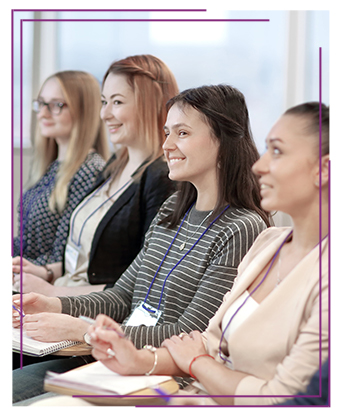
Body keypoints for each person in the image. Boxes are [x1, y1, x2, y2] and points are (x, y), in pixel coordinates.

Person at [12, 84, 270, 404]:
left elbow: (188, 336)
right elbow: (122, 297)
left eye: (183, 133)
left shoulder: (241, 227)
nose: (167, 145)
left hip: (163, 376)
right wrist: (55, 305)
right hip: (115, 358)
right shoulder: (171, 213)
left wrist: (80, 330)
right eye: (166, 132)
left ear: (224, 140)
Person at [82, 101, 329, 407]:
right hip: (189, 393)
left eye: (276, 151)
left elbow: (280, 399)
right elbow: (208, 343)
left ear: (325, 169)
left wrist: (196, 363)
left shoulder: (321, 270)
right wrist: (139, 360)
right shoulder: (269, 243)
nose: (259, 165)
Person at [12, 55, 178, 296]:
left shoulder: (161, 179)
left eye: (117, 102)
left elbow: (141, 287)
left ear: (149, 104)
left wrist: (50, 292)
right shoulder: (114, 167)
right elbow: (88, 260)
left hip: (85, 311)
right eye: (104, 102)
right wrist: (47, 273)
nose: (104, 114)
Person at [12, 70, 109, 268]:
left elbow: (65, 253)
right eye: (41, 103)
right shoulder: (51, 166)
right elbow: (26, 243)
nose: (43, 113)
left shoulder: (91, 171)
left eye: (57, 105)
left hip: (42, 285)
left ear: (84, 111)